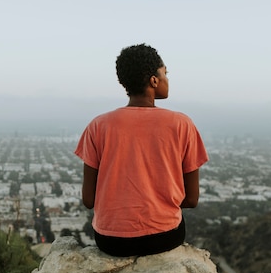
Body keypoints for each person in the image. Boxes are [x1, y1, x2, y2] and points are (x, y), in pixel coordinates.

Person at [74, 43, 209, 257]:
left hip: (110, 241)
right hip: (163, 237)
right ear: (154, 80)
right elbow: (191, 199)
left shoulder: (98, 126)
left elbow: (89, 200)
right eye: (165, 73)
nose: (167, 79)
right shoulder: (181, 124)